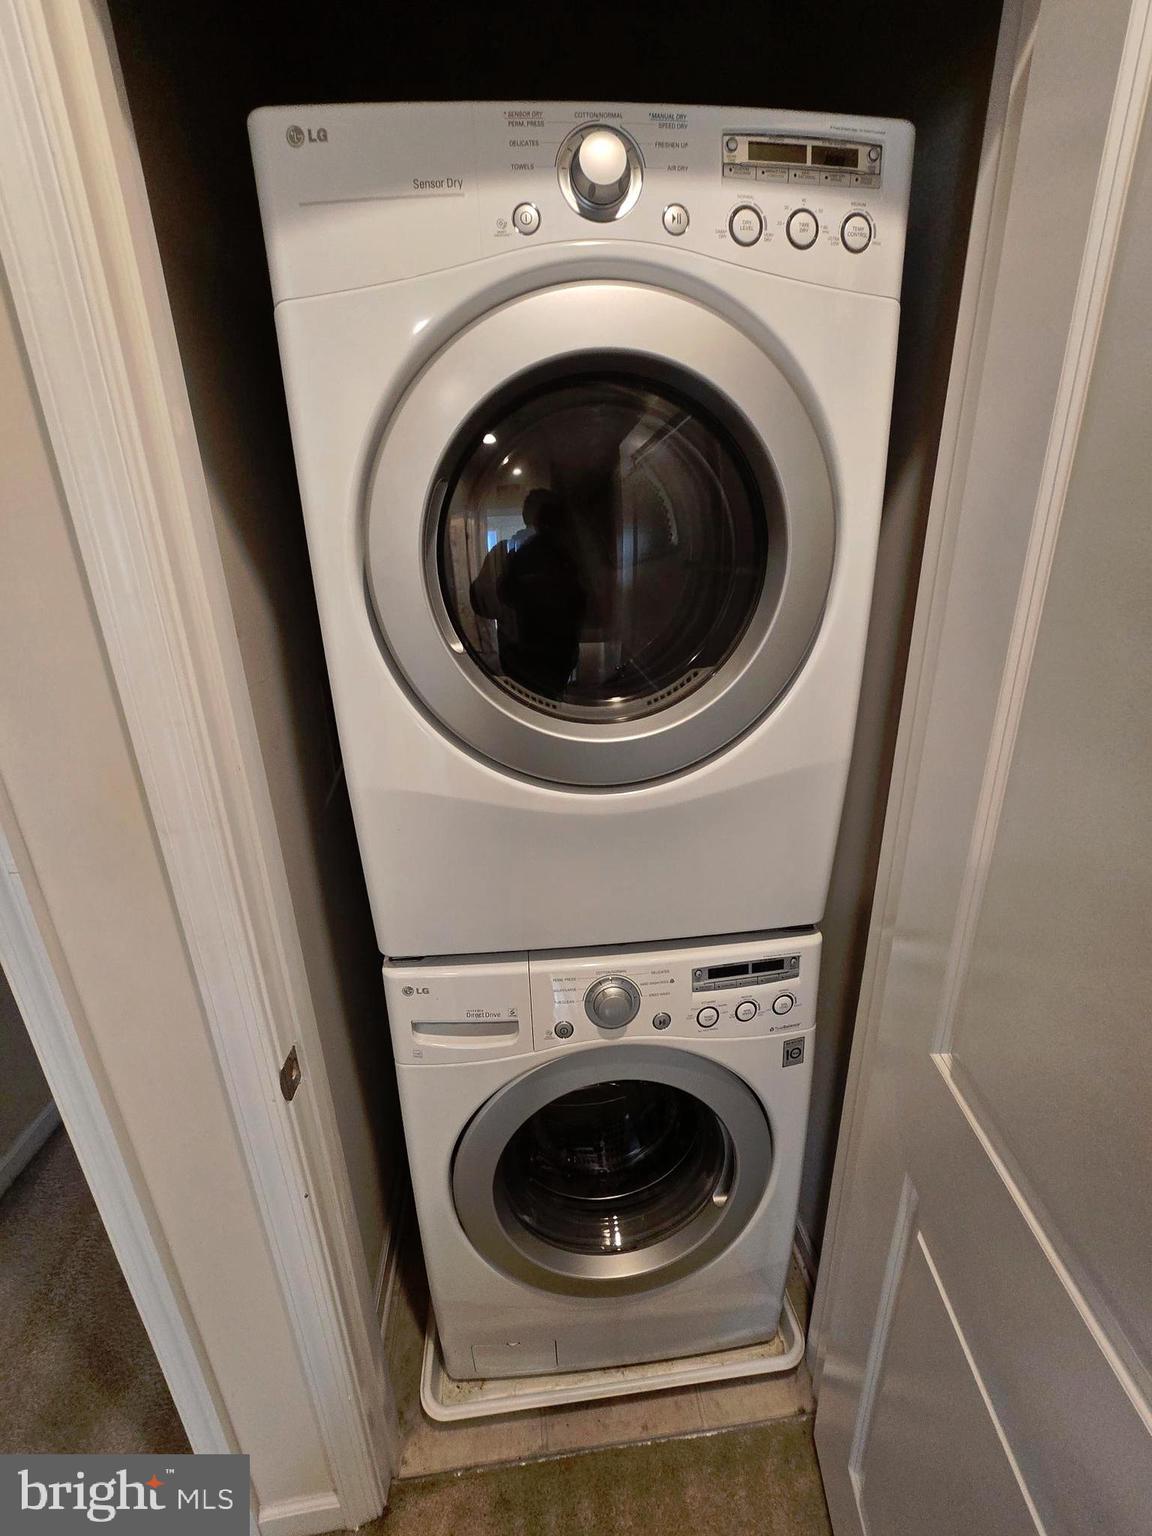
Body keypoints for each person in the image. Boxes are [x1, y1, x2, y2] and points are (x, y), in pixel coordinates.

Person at [470, 488, 585, 701]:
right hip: (552, 652)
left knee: (529, 702)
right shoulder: (567, 555)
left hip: (528, 653)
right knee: (550, 702)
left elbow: (487, 602)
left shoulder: (514, 553)